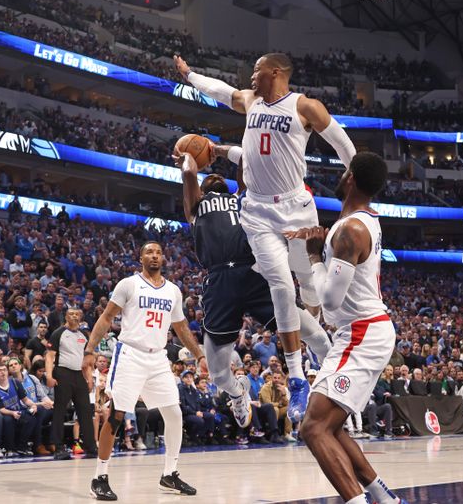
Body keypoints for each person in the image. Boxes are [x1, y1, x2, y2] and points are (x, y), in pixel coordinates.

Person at [174, 52, 357, 422]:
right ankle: (296, 377)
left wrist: (358, 187)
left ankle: (320, 332)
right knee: (281, 286)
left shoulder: (304, 106)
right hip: (257, 213)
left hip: (295, 208)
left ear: (275, 72)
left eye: (256, 70)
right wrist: (191, 76)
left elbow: (342, 144)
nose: (250, 77)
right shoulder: (251, 101)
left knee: (307, 285)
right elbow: (222, 91)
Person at [175, 151, 331, 430]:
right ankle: (238, 393)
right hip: (220, 280)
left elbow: (248, 156)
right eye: (209, 176)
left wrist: (216, 148)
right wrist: (189, 154)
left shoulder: (244, 199)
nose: (215, 175)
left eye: (219, 175)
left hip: (256, 271)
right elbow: (188, 173)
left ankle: (329, 390)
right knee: (218, 372)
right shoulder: (196, 205)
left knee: (318, 336)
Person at [289, 153, 408, 504]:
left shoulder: (351, 230)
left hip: (361, 332)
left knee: (312, 427)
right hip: (360, 332)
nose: (340, 175)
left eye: (344, 171)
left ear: (351, 178)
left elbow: (329, 300)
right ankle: (385, 499)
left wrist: (313, 256)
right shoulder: (359, 221)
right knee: (330, 426)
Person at [83, 241, 206, 500]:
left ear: (164, 258)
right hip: (130, 354)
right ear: (141, 258)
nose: (154, 256)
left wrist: (199, 355)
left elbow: (181, 328)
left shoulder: (173, 290)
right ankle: (99, 477)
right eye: (149, 252)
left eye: (158, 252)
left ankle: (169, 474)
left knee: (174, 414)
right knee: (116, 414)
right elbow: (106, 317)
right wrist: (90, 350)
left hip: (158, 358)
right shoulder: (129, 284)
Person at [45, 308, 98, 460]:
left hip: (79, 375)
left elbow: (87, 361)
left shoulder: (83, 336)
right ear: (66, 316)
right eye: (71, 314)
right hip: (63, 373)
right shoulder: (58, 333)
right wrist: (49, 375)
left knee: (86, 412)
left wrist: (89, 379)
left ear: (81, 317)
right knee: (60, 411)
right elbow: (49, 356)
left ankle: (90, 447)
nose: (74, 316)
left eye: (77, 314)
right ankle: (59, 447)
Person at [0, 362, 37, 456]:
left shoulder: (15, 382)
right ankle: (10, 449)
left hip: (19, 411)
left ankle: (22, 447)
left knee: (32, 419)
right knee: (8, 420)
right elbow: (1, 409)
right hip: (6, 414)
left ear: (7, 372)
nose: (2, 372)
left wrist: (33, 405)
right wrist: (12, 413)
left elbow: (25, 400)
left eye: (4, 370)